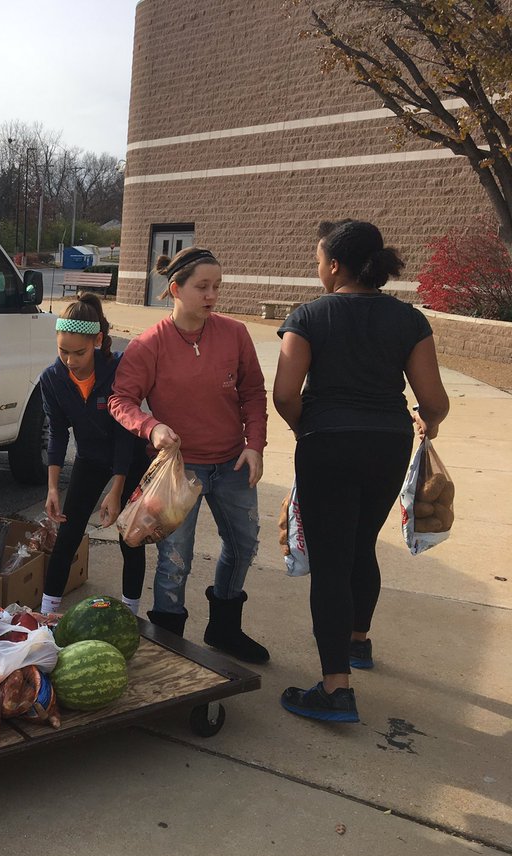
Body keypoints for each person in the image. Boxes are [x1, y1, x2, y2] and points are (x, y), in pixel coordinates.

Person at [273, 220, 449, 723]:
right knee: (360, 544)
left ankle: (335, 690)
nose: (318, 269)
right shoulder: (409, 320)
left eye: (318, 261)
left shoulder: (309, 316)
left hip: (327, 443)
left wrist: (307, 428)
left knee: (330, 561)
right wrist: (428, 421)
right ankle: (357, 642)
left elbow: (284, 394)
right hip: (387, 445)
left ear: (334, 265)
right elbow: (434, 401)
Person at [108, 246, 269, 664]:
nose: (212, 295)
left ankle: (225, 628)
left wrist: (254, 444)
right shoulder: (149, 344)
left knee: (244, 544)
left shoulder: (235, 334)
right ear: (176, 289)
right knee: (174, 560)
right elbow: (121, 400)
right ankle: (168, 644)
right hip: (179, 470)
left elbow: (253, 393)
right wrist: (151, 427)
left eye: (217, 286)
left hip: (232, 463)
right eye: (203, 287)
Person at [38, 294, 149, 616]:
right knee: (68, 534)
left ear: (97, 341)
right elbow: (58, 433)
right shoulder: (52, 379)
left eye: (79, 353)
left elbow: (125, 433)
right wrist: (52, 487)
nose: (70, 361)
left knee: (130, 537)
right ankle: (46, 614)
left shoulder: (117, 369)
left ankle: (130, 614)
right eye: (63, 351)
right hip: (89, 459)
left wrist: (117, 489)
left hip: (130, 459)